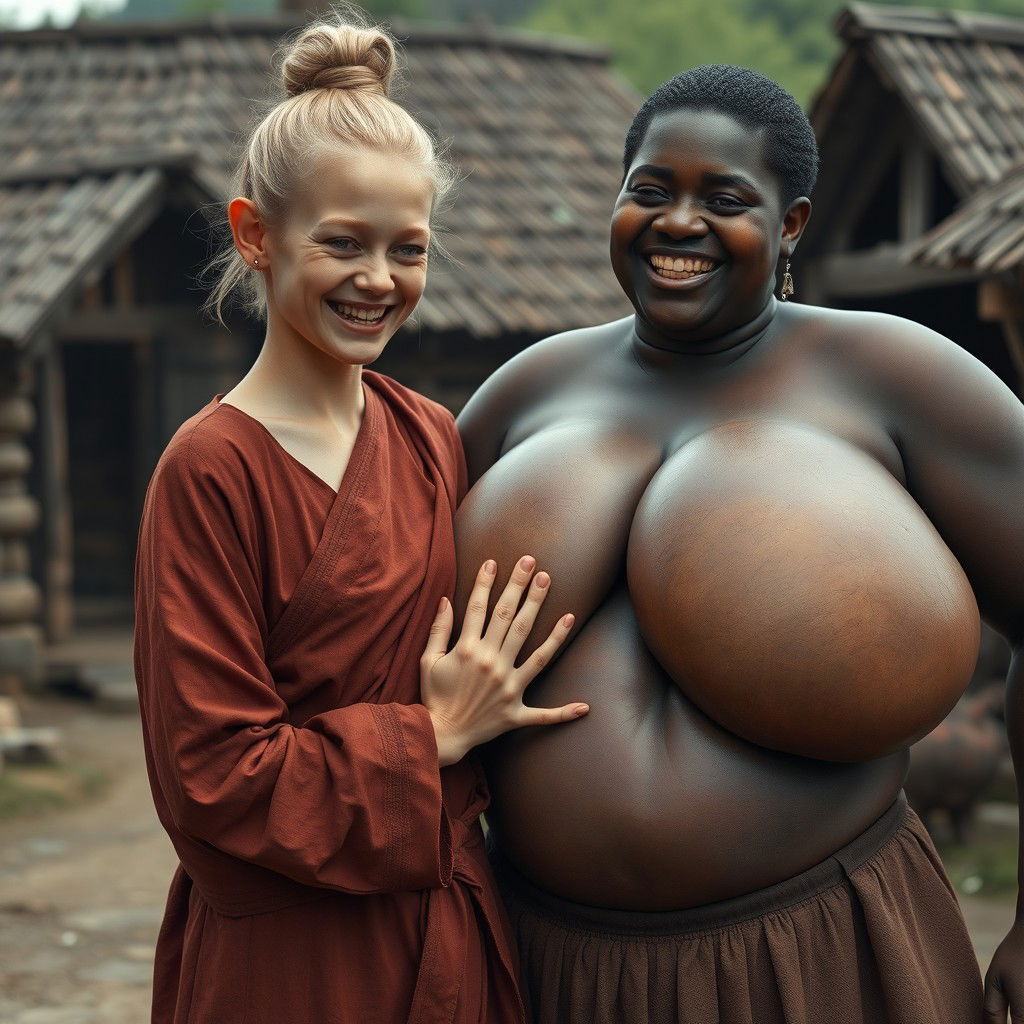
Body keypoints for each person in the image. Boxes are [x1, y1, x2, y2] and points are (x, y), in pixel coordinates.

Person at [455, 64, 1024, 1023]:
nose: (679, 223)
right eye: (650, 190)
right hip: (547, 965)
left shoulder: (891, 374)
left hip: (819, 954)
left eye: (725, 199)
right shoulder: (525, 392)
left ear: (791, 223)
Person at [132, 14, 589, 1024]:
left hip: (447, 924)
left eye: (407, 248)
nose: (379, 279)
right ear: (255, 234)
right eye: (342, 242)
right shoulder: (210, 470)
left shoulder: (431, 435)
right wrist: (427, 735)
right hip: (290, 958)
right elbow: (211, 775)